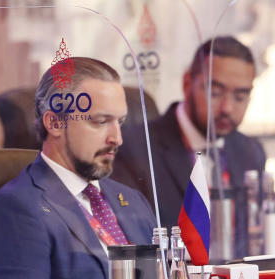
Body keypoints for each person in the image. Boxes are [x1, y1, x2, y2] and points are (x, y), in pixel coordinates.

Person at [0, 57, 156, 279]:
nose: (117, 138)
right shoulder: (18, 211)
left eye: (120, 122)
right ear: (55, 123)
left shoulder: (132, 201)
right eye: (100, 122)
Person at [111, 36, 266, 234]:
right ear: (187, 83)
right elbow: (133, 235)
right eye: (215, 93)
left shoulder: (250, 151)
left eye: (240, 96)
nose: (227, 108)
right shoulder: (133, 149)